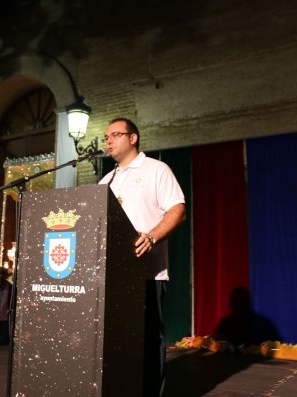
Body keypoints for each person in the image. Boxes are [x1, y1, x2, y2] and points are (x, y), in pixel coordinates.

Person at [98, 117, 186, 397]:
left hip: (147, 274)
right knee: (117, 342)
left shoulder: (156, 170)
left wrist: (150, 236)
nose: (108, 141)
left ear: (133, 138)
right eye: (106, 137)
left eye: (115, 135)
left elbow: (177, 210)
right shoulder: (106, 180)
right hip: (112, 278)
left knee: (148, 341)